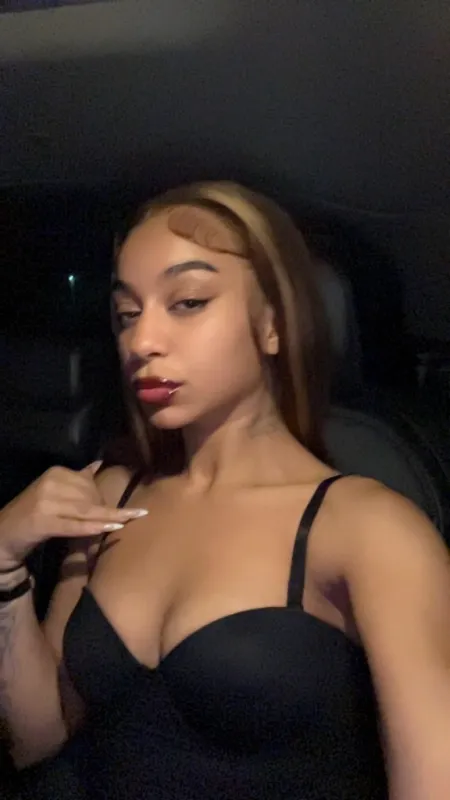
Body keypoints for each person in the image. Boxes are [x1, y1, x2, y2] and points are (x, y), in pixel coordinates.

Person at [0, 181, 449, 800]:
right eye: (127, 314)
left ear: (274, 324)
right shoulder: (110, 494)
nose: (142, 342)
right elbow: (39, 737)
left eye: (187, 302)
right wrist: (4, 561)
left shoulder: (371, 531)